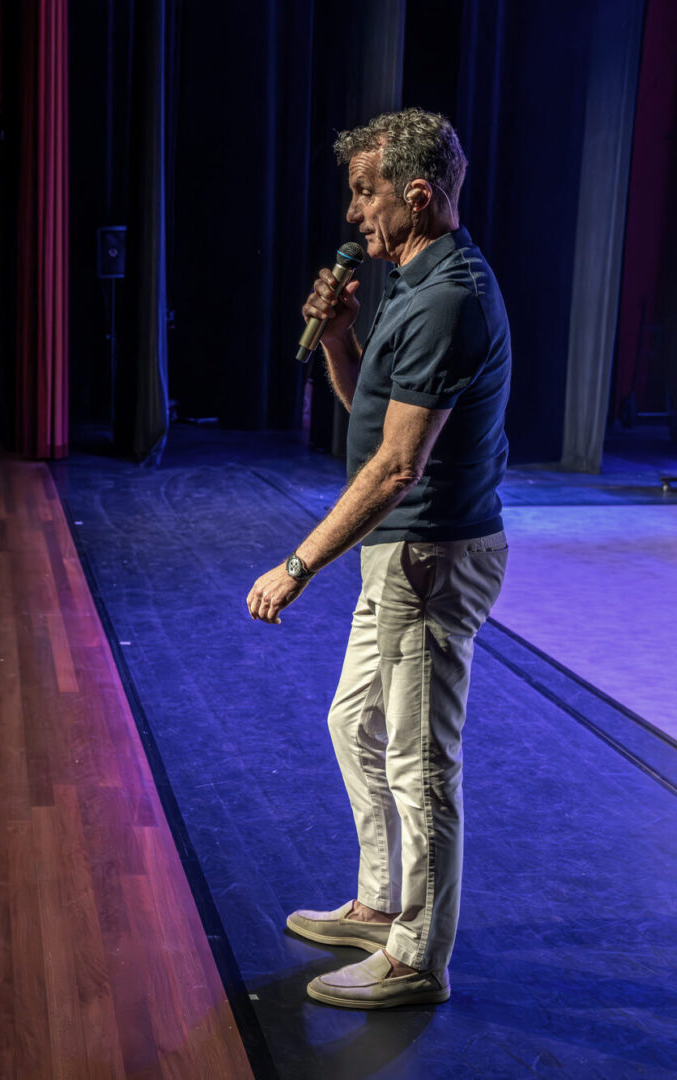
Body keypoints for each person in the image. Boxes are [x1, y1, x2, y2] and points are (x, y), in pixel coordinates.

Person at [247, 108, 511, 1011]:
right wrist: (337, 335)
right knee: (352, 725)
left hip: (430, 556)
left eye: (366, 193)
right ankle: (379, 903)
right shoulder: (409, 281)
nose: (354, 212)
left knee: (420, 765)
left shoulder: (449, 298)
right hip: (398, 556)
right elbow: (372, 406)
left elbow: (398, 466)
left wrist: (297, 564)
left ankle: (417, 957)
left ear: (418, 193)